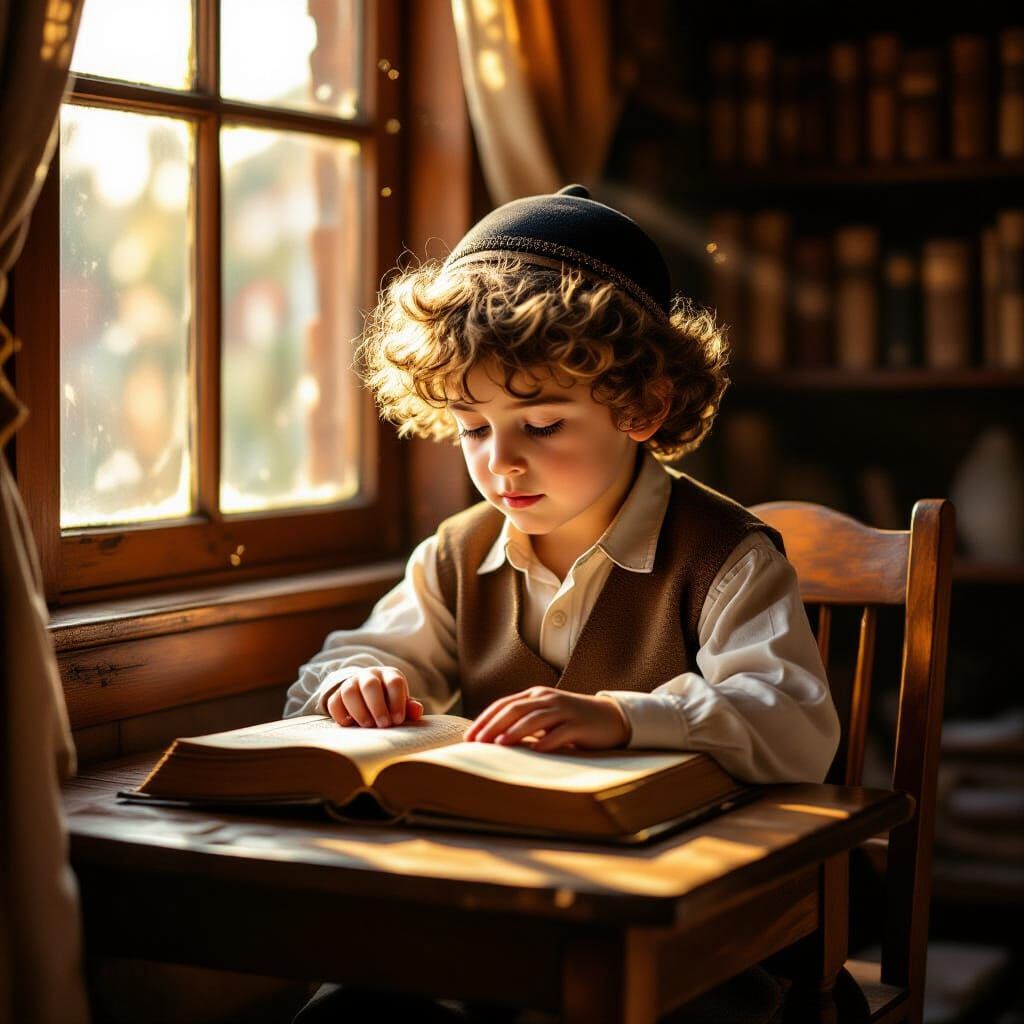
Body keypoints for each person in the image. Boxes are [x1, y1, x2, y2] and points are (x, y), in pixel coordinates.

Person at [285, 185, 844, 1024]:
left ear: (643, 407)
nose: (499, 463)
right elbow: (359, 656)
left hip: (683, 939)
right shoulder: (458, 552)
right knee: (346, 1012)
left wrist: (625, 718)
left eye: (541, 425)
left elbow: (794, 721)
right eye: (473, 427)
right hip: (498, 917)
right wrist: (356, 680)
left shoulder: (725, 556)